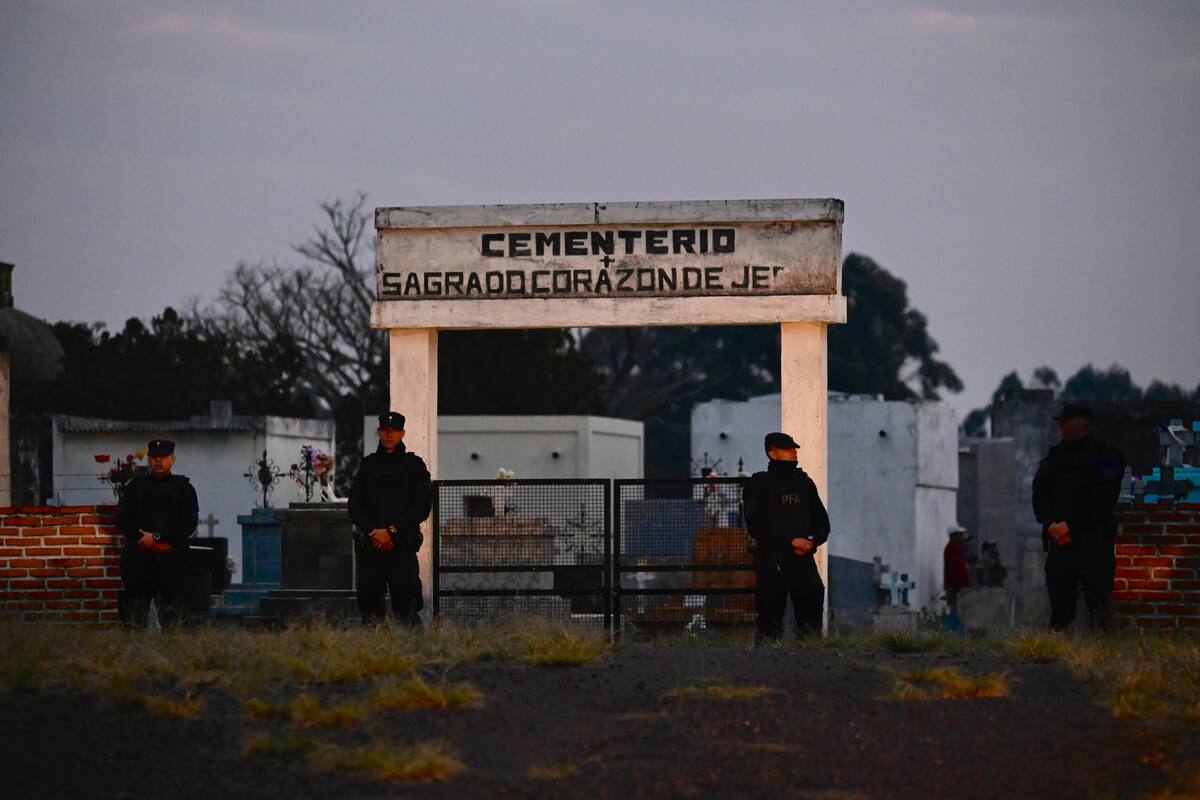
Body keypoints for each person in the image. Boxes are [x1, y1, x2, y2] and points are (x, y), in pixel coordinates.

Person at [1032, 402, 1125, 632]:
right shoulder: (1054, 457)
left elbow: (1105, 498)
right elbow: (1039, 493)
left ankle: (1101, 657)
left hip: (1093, 542)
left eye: (1065, 422)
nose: (1060, 426)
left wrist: (1070, 525)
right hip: (1061, 544)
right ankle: (1057, 656)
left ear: (1081, 424)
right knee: (1060, 613)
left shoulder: (1106, 454)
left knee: (1099, 611)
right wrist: (1053, 525)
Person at [742, 431, 831, 641]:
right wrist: (791, 541)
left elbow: (822, 523)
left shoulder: (804, 484)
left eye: (794, 448)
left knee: (810, 623)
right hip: (772, 563)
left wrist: (810, 541)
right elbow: (756, 526)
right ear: (772, 454)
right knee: (769, 625)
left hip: (803, 562)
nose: (793, 453)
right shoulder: (759, 485)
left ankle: (809, 660)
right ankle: (768, 664)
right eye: (787, 449)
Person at [347, 411, 432, 627]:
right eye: (385, 430)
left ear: (402, 433)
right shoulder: (368, 466)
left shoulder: (414, 466)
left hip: (402, 549)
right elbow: (354, 506)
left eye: (394, 431)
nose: (389, 435)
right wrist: (374, 532)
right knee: (370, 613)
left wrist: (392, 530)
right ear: (378, 432)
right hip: (373, 549)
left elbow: (422, 507)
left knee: (408, 610)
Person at [115, 439, 199, 628]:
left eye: (163, 457)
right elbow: (121, 519)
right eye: (154, 457)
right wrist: (141, 539)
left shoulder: (185, 489)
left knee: (174, 620)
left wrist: (157, 538)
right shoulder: (134, 487)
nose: (158, 461)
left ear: (173, 459)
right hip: (139, 561)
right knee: (134, 619)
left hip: (171, 561)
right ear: (149, 460)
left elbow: (188, 524)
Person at [943, 525, 971, 616]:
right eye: (960, 535)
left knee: (960, 610)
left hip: (959, 587)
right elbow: (955, 570)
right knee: (955, 610)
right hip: (955, 587)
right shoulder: (951, 549)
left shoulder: (956, 549)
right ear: (954, 536)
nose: (962, 537)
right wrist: (959, 585)